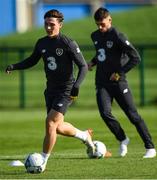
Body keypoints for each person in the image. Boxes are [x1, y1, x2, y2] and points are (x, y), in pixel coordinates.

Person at [6, 9, 96, 172]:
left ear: (60, 25)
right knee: (58, 127)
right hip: (51, 91)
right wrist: (14, 66)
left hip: (66, 89)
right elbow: (32, 60)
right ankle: (84, 136)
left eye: (52, 24)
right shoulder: (42, 43)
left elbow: (83, 66)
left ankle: (42, 161)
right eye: (46, 24)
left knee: (50, 123)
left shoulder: (68, 43)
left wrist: (76, 86)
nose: (48, 27)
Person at [88, 7, 156, 158]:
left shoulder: (118, 35)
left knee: (133, 115)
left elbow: (135, 57)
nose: (100, 27)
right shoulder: (95, 35)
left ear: (110, 20)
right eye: (97, 24)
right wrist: (92, 62)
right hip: (102, 82)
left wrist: (119, 73)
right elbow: (102, 53)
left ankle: (150, 147)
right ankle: (123, 139)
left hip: (119, 83)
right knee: (105, 113)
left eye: (103, 24)